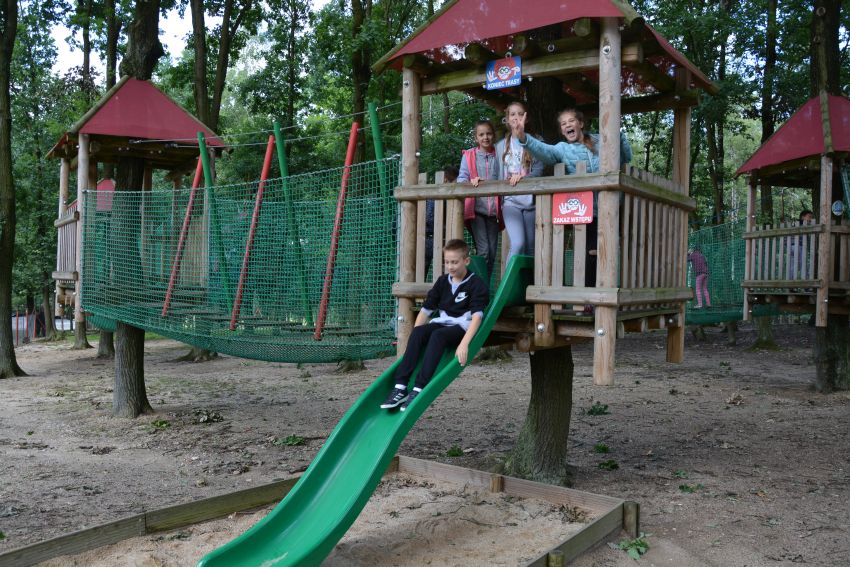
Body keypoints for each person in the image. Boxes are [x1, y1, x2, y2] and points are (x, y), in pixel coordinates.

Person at [509, 108, 632, 286]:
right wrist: (523, 137)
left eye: (571, 121)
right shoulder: (563, 149)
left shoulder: (602, 140)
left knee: (610, 250)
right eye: (563, 124)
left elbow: (626, 157)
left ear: (580, 124)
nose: (567, 125)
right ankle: (589, 294)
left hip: (611, 206)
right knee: (590, 252)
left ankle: (609, 289)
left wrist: (617, 133)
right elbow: (544, 150)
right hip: (585, 211)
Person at [381, 239, 489, 412]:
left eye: (455, 262)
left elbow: (477, 318)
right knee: (418, 332)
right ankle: (400, 387)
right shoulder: (442, 281)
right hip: (442, 322)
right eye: (447, 262)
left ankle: (419, 388)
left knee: (438, 336)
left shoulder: (476, 284)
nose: (450, 266)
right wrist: (416, 338)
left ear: (466, 261)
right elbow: (426, 311)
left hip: (461, 327)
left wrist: (464, 344)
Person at [496, 101, 544, 261]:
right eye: (512, 114)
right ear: (507, 119)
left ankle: (526, 278)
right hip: (510, 202)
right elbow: (495, 173)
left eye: (520, 114)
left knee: (530, 247)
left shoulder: (536, 141)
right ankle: (508, 278)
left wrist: (523, 178)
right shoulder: (500, 146)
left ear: (526, 118)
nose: (516, 117)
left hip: (532, 202)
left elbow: (538, 170)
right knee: (518, 244)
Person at [457, 119, 501, 281]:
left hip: (494, 211)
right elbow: (462, 178)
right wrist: (471, 181)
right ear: (476, 138)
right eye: (481, 134)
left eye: (488, 134)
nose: (485, 137)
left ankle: (483, 285)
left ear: (493, 135)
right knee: (484, 251)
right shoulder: (470, 155)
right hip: (476, 210)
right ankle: (478, 285)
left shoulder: (500, 155)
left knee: (492, 252)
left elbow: (506, 174)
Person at [424, 166, 459, 277]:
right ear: (445, 180)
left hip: (436, 237)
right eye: (454, 181)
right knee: (426, 269)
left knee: (443, 271)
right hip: (431, 238)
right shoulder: (435, 196)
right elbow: (429, 218)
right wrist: (445, 227)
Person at [787, 209, 814, 280]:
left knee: (792, 265)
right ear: (803, 217)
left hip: (791, 247)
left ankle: (790, 283)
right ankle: (806, 282)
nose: (811, 219)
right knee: (803, 264)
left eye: (811, 217)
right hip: (799, 246)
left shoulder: (794, 225)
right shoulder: (803, 226)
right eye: (809, 217)